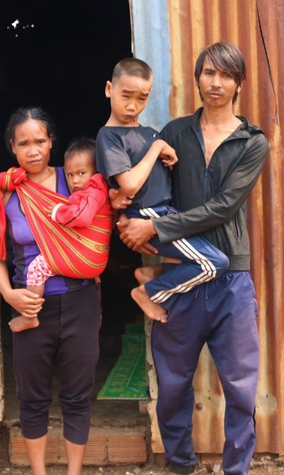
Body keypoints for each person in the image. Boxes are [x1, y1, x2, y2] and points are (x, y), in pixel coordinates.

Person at [116, 43, 269, 475]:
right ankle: (180, 467)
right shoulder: (174, 133)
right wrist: (129, 218)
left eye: (226, 75)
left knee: (240, 389)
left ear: (239, 83)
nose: (216, 83)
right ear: (197, 78)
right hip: (181, 277)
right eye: (208, 73)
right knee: (174, 382)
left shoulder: (252, 142)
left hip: (231, 282)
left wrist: (157, 227)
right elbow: (143, 188)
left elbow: (225, 206)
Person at [0, 108, 100, 475]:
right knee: (32, 399)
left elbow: (100, 223)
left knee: (78, 397)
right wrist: (10, 296)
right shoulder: (5, 193)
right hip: (30, 305)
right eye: (24, 143)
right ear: (11, 147)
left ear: (52, 143)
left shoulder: (74, 180)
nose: (33, 150)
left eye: (40, 141)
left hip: (79, 299)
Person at [96, 57, 229, 324]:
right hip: (146, 215)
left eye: (142, 98)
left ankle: (152, 274)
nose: (133, 106)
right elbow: (130, 184)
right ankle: (148, 292)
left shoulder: (149, 133)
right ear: (109, 89)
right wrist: (157, 149)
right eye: (126, 96)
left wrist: (164, 156)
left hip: (165, 212)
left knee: (203, 258)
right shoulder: (109, 136)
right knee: (213, 263)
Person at [9, 136, 112, 333]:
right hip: (92, 265)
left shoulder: (95, 190)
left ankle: (29, 316)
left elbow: (81, 217)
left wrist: (58, 212)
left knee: (36, 269)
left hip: (85, 258)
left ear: (97, 171)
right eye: (70, 175)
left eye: (82, 173)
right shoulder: (95, 190)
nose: (75, 181)